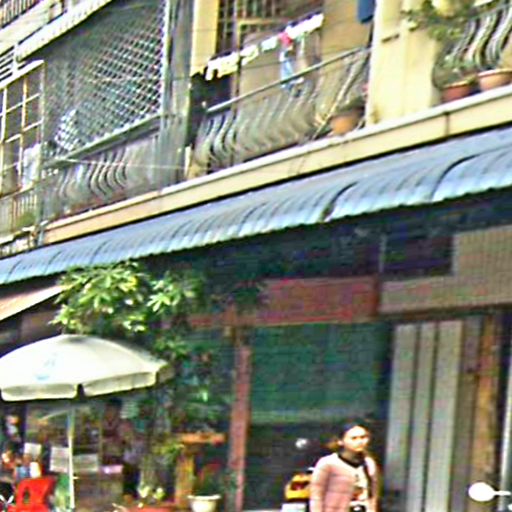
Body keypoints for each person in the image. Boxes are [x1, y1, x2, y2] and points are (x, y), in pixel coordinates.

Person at [309, 420, 379, 512]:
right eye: (354, 438)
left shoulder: (369, 463)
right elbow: (316, 496)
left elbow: (373, 495)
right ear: (340, 441)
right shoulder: (328, 463)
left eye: (363, 437)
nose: (360, 442)